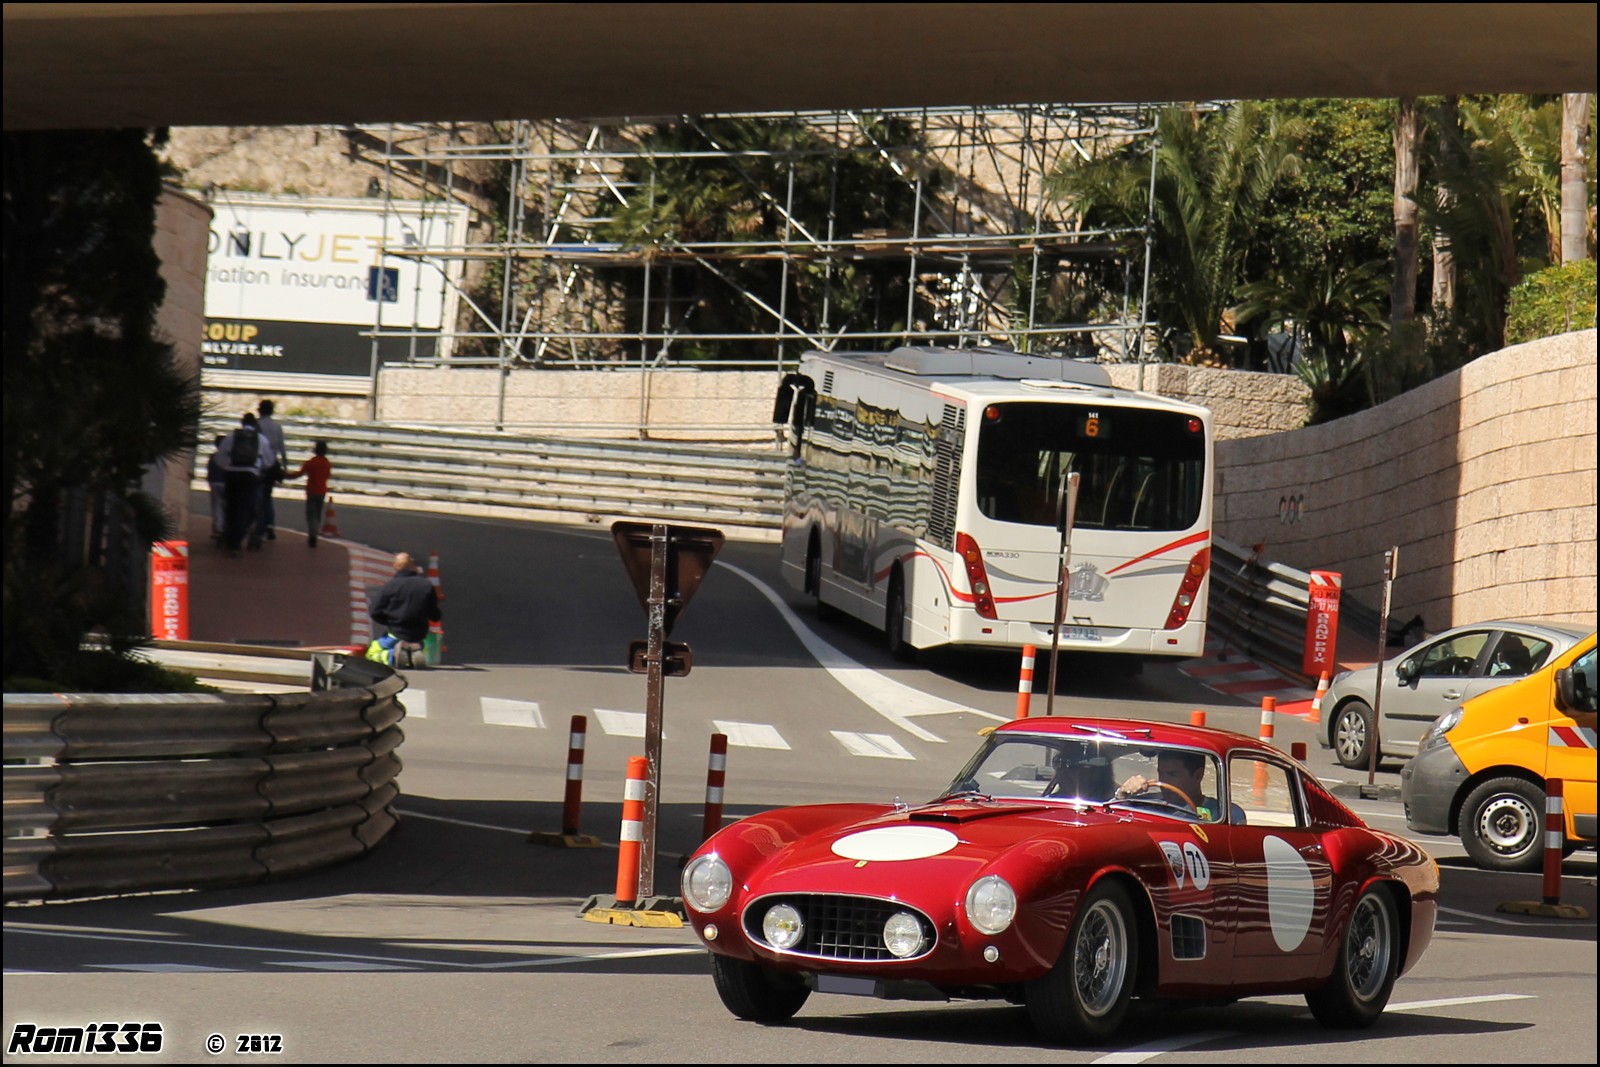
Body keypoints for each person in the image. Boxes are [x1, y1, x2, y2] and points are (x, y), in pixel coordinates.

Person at [1115, 749, 1238, 823]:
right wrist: (1122, 794)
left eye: (1172, 774)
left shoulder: (1220, 812)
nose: (1164, 781)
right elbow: (1113, 816)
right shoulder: (1145, 804)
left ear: (1197, 776)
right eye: (1161, 773)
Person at [369, 552, 440, 666]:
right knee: (414, 644)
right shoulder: (426, 585)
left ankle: (392, 656)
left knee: (371, 654)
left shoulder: (390, 586)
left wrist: (389, 621)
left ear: (395, 567)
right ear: (413, 566)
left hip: (396, 632)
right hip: (419, 634)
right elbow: (435, 615)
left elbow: (374, 611)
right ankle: (413, 651)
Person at [217, 412, 272, 556]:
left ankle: (229, 540)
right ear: (255, 424)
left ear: (242, 423)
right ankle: (236, 544)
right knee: (244, 509)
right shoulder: (261, 439)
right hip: (250, 475)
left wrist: (227, 466)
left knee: (231, 507)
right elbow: (269, 461)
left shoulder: (231, 436)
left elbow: (219, 458)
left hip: (232, 474)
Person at [254, 398, 289, 542]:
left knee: (258, 496)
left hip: (257, 465)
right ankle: (270, 524)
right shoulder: (277, 427)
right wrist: (285, 467)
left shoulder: (256, 425)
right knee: (267, 496)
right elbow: (282, 448)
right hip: (272, 465)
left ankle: (259, 525)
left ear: (260, 410)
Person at [287, 440, 333, 548]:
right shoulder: (327, 464)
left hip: (312, 491)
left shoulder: (311, 463)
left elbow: (299, 474)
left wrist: (287, 476)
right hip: (322, 491)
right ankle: (315, 532)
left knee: (311, 514)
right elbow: (327, 476)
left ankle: (312, 534)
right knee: (317, 514)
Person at [1044, 743, 1115, 801]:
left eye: (1073, 767)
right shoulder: (1047, 803)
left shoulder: (1110, 806)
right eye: (1066, 765)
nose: (1066, 773)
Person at [205, 434, 228, 544]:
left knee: (216, 506)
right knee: (226, 506)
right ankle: (225, 527)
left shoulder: (213, 457)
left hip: (215, 482)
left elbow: (209, 471)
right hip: (226, 483)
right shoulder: (229, 457)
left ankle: (217, 529)